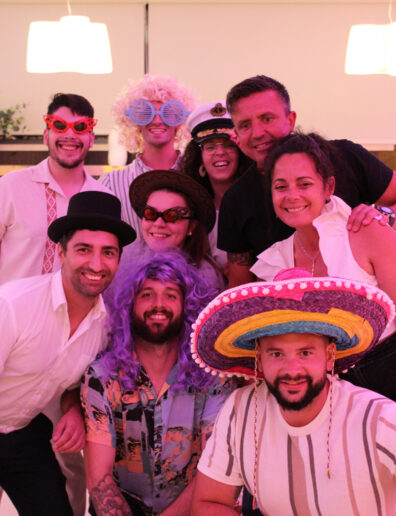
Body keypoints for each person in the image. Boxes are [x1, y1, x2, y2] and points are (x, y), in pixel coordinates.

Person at [190, 269, 396, 515]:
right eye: (276, 354)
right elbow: (208, 503)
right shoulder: (241, 410)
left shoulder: (379, 418)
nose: (291, 369)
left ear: (329, 356)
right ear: (259, 357)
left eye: (305, 353)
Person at [0, 191, 136, 516]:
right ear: (61, 253)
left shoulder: (107, 326)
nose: (96, 264)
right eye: (83, 249)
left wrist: (73, 410)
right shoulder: (13, 305)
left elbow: (76, 384)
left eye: (108, 252)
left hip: (21, 430)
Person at [250, 132, 396, 402]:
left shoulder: (369, 232)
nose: (292, 196)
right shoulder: (273, 264)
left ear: (329, 187)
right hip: (324, 397)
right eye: (281, 186)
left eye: (304, 184)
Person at [81, 252, 234, 516]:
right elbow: (99, 478)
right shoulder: (102, 376)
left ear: (187, 307)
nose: (158, 304)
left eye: (171, 295)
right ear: (129, 305)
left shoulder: (212, 376)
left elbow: (212, 469)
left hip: (192, 506)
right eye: (147, 294)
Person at [218, 75, 396, 287]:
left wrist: (384, 217)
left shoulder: (346, 156)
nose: (257, 133)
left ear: (290, 120)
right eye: (245, 125)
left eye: (267, 119)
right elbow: (241, 288)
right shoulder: (236, 200)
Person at [0, 93, 111, 284]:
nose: (70, 135)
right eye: (60, 126)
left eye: (80, 127)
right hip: (13, 303)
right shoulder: (11, 187)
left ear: (91, 139)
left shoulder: (102, 198)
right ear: (46, 136)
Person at [99, 75, 196, 233]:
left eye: (168, 113)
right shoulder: (110, 184)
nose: (157, 120)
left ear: (180, 121)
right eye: (145, 113)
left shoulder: (196, 177)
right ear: (134, 122)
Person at [107, 169, 224, 297]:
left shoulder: (206, 278)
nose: (158, 223)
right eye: (150, 213)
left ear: (191, 226)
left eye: (172, 216)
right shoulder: (120, 261)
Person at [180, 101, 251, 268]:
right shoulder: (190, 209)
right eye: (210, 147)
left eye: (229, 145)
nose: (220, 152)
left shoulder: (257, 203)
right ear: (199, 157)